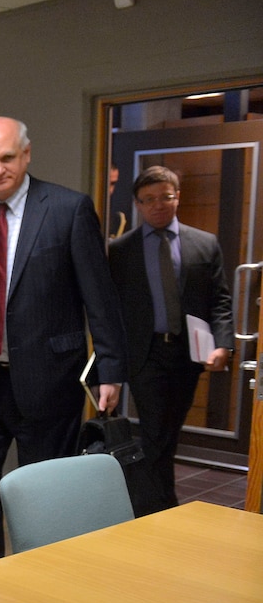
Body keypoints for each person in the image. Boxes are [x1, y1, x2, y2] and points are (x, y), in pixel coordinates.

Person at [0, 116, 127, 568]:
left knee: (43, 487)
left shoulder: (68, 209)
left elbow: (98, 297)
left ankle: (43, 574)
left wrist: (110, 368)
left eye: (7, 158)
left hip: (49, 379)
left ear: (26, 155)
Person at [108, 165, 233, 513]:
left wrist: (223, 343)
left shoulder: (204, 244)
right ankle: (160, 507)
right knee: (154, 432)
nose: (157, 206)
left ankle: (152, 504)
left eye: (165, 197)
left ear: (177, 197)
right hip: (146, 355)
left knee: (167, 432)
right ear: (137, 205)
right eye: (148, 200)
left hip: (187, 354)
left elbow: (220, 299)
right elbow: (111, 308)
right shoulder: (120, 250)